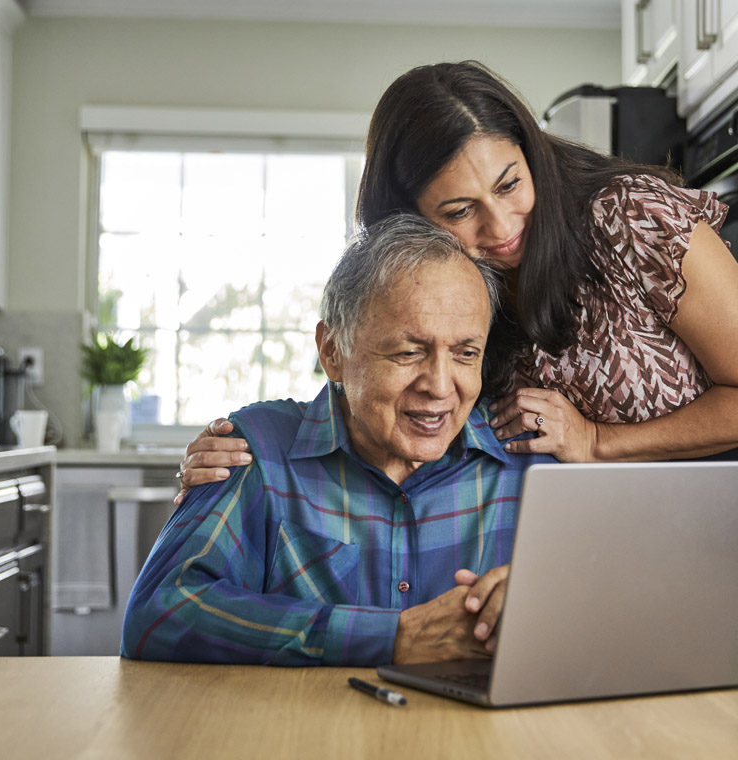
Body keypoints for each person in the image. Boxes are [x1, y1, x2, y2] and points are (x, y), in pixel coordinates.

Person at [176, 60, 738, 503]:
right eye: (459, 210)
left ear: (530, 152)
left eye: (510, 183)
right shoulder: (439, 287)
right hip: (574, 536)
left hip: (706, 518)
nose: (501, 228)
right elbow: (370, 395)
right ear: (409, 218)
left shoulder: (631, 217)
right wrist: (239, 459)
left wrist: (597, 442)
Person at [121, 215, 555, 666]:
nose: (441, 386)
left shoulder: (530, 462)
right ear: (332, 351)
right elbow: (158, 613)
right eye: (409, 353)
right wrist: (393, 637)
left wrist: (551, 609)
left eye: (466, 354)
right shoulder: (258, 451)